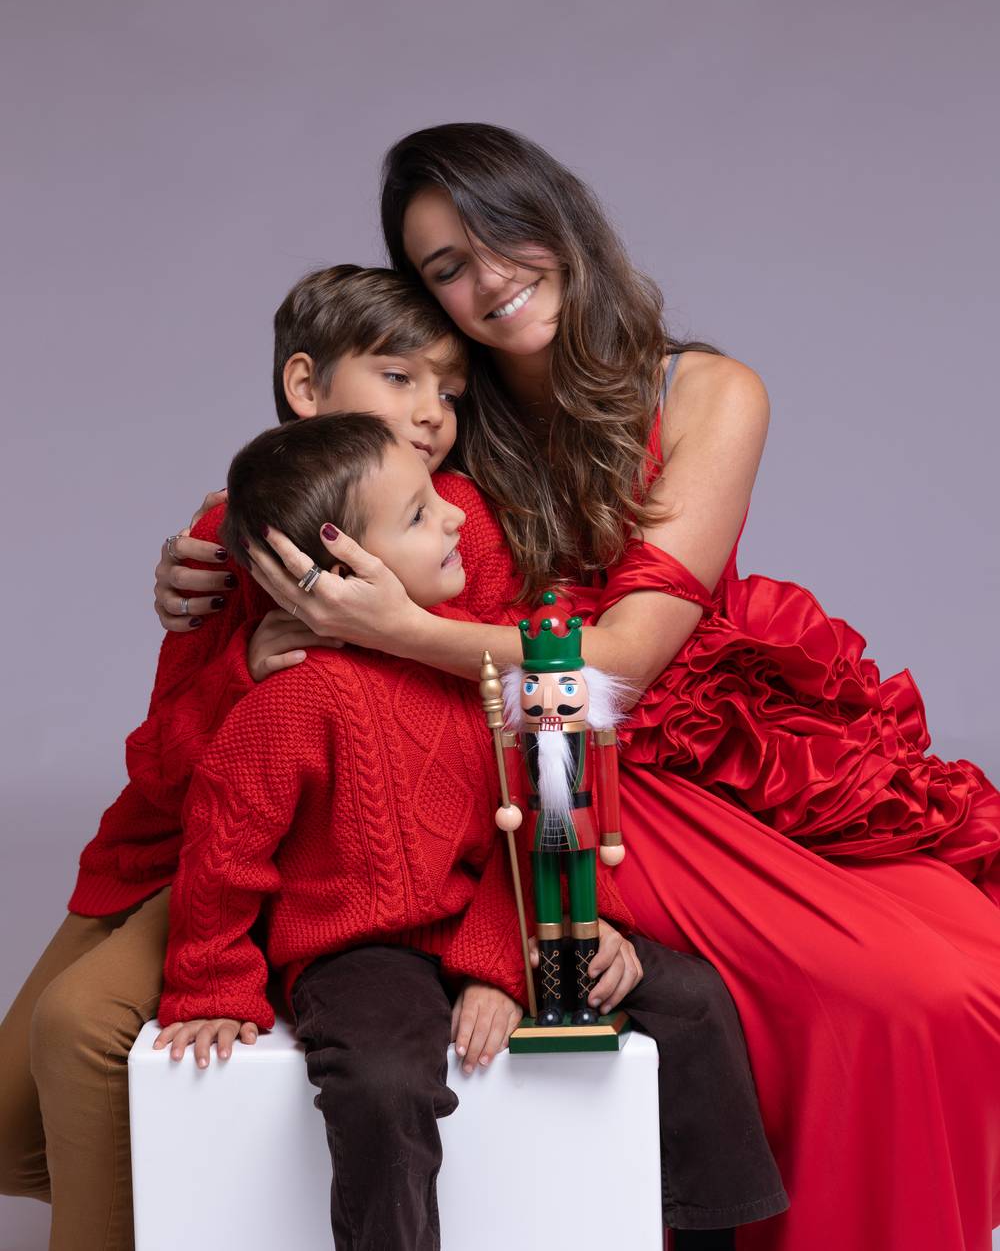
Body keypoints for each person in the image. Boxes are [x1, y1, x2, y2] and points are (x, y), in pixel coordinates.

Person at [217, 123, 999, 1251]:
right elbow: (308, 485)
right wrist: (207, 567)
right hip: (545, 772)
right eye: (447, 266)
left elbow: (621, 662)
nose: (490, 279)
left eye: (504, 233)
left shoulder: (709, 391)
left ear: (562, 217)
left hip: (702, 737)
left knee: (961, 974)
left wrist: (401, 629)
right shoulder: (441, 417)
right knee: (890, 994)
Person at [0, 262, 786, 1251]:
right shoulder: (241, 535)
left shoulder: (459, 528)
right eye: (401, 379)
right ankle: (179, 1197)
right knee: (32, 1106)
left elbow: (528, 745)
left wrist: (404, 636)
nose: (430, 414)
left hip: (391, 867)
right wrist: (246, 667)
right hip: (208, 847)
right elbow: (185, 771)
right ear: (304, 386)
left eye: (449, 392)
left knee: (81, 1030)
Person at [156, 411, 786, 1249]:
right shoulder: (293, 700)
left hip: (499, 911)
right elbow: (223, 848)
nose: (456, 515)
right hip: (364, 947)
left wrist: (505, 964)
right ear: (345, 569)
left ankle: (710, 1237)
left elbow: (542, 818)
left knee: (696, 1002)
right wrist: (211, 985)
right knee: (381, 1082)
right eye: (421, 514)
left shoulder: (482, 668)